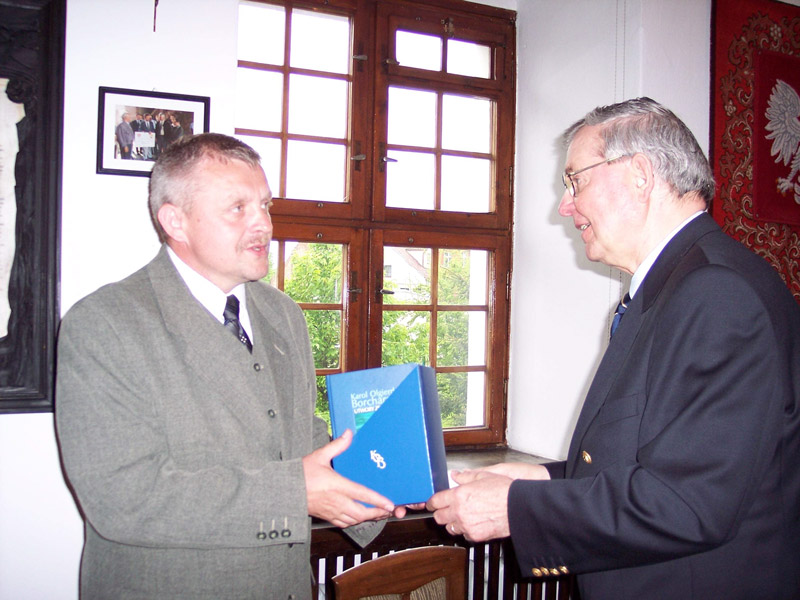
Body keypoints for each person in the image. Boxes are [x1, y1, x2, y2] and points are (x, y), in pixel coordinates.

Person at [427, 97, 800, 599]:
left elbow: (689, 503)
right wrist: (541, 479)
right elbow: (649, 461)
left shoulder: (715, 292)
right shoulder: (677, 286)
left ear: (640, 174)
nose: (564, 206)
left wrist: (514, 509)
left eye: (575, 181)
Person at [56, 133, 405, 599]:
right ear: (175, 221)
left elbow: (302, 437)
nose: (263, 223)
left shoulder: (283, 314)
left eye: (265, 205)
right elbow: (122, 498)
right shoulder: (105, 324)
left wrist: (392, 479)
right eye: (237, 208)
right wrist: (294, 494)